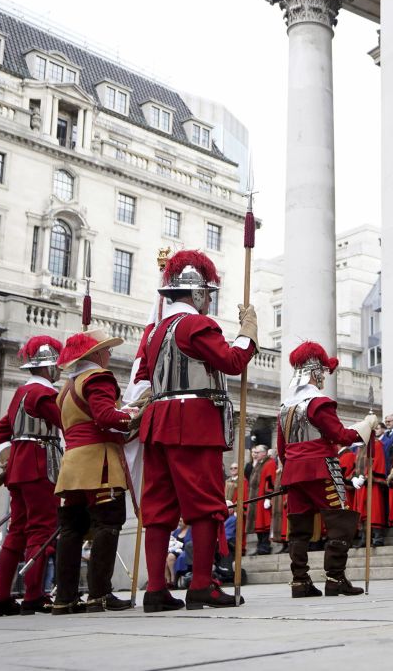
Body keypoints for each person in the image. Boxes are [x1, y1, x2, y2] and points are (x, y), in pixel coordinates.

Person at [133, 251, 258, 612]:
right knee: (205, 505)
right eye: (209, 293)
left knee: (159, 507)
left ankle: (156, 588)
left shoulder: (156, 332)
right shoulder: (195, 325)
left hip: (159, 421)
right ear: (199, 293)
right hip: (192, 420)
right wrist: (247, 334)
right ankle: (202, 584)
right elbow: (231, 361)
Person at [278, 341, 379, 597]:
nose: (324, 376)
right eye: (322, 371)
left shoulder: (286, 407)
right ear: (314, 372)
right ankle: (335, 578)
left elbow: (282, 448)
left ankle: (300, 581)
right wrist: (365, 426)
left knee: (299, 527)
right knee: (339, 521)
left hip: (293, 471)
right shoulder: (319, 403)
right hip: (321, 468)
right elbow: (340, 436)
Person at [52, 329, 137, 614]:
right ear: (95, 355)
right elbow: (104, 416)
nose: (110, 355)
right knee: (108, 524)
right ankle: (99, 593)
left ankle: (64, 598)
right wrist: (135, 416)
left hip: (73, 464)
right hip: (99, 461)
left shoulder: (67, 386)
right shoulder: (98, 377)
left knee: (71, 529)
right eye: (107, 350)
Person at [0, 335, 62, 616]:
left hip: (19, 467)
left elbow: (0, 433)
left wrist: (9, 461)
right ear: (48, 367)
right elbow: (67, 422)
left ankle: (0, 598)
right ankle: (33, 595)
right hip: (39, 464)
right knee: (40, 530)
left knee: (17, 531)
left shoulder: (20, 393)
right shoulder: (44, 394)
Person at [350, 433, 388, 548]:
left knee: (374, 510)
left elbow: (377, 462)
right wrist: (355, 477)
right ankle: (364, 538)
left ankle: (377, 538)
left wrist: (366, 476)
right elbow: (357, 465)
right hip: (361, 485)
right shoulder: (360, 447)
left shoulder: (376, 444)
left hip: (372, 484)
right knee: (362, 511)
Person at [251, 445, 278, 556]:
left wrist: (268, 496)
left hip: (263, 498)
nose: (255, 454)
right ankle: (260, 544)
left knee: (265, 521)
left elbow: (270, 480)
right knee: (258, 522)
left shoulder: (270, 463)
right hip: (257, 499)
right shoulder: (260, 464)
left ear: (264, 453)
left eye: (258, 452)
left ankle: (265, 546)